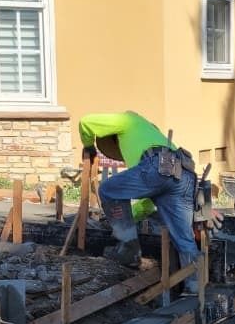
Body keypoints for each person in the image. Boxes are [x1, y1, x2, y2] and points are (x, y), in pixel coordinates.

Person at [78, 111, 198, 273]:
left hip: (156, 164)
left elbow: (86, 122)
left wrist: (89, 146)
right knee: (184, 238)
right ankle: (194, 287)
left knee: (108, 190)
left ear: (114, 137)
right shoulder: (156, 138)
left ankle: (129, 251)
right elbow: (148, 205)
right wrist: (124, 218)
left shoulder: (128, 120)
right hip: (185, 173)